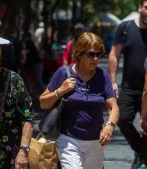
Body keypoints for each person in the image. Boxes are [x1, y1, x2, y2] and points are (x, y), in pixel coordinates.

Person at [39, 32, 119, 169]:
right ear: (79, 54)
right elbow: (43, 102)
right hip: (68, 140)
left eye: (99, 54)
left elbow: (113, 107)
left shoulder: (102, 76)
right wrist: (60, 91)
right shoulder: (63, 73)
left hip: (96, 142)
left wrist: (110, 126)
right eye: (90, 54)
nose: (95, 58)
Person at [108, 0, 147, 167]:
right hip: (129, 87)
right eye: (146, 7)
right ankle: (142, 153)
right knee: (122, 119)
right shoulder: (125, 27)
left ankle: (142, 159)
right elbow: (114, 55)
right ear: (140, 8)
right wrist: (112, 82)